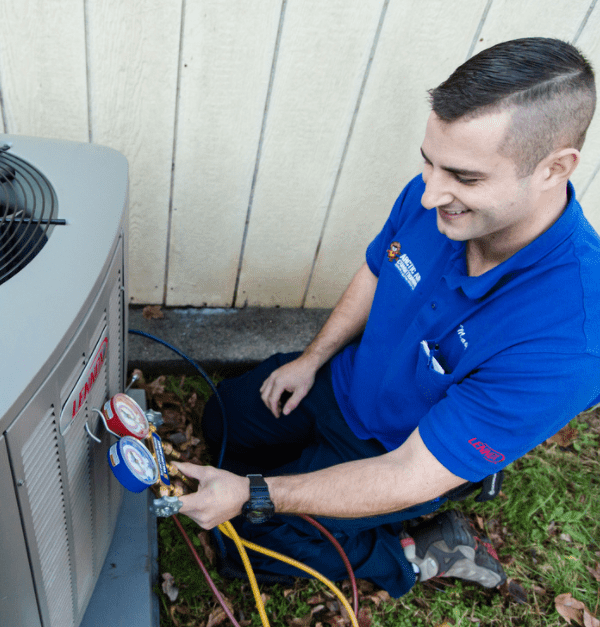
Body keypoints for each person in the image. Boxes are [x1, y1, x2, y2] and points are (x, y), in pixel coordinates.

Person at [174, 37, 600, 597]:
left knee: (246, 543)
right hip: (345, 384)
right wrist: (312, 360)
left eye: (465, 178)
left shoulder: (572, 335)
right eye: (429, 162)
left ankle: (420, 553)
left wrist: (257, 493)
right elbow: (378, 272)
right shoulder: (439, 200)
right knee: (223, 419)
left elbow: (408, 474)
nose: (430, 195)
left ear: (555, 168)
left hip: (403, 452)